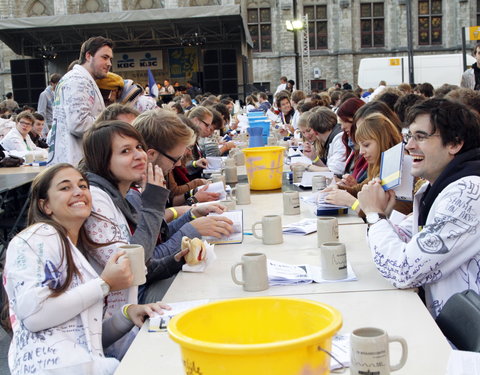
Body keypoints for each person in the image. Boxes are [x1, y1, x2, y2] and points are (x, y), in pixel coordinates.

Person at [3, 163, 170, 374]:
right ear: (46, 206)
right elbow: (36, 316)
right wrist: (105, 284)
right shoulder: (37, 236)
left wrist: (126, 316)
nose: (78, 192)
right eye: (65, 188)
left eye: (83, 186)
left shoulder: (76, 251)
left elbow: (86, 337)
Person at [357, 98, 480, 318]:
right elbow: (406, 243)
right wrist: (381, 216)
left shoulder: (468, 192)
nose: (409, 146)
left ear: (455, 143)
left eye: (420, 137)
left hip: (462, 343)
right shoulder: (437, 186)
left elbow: (403, 270)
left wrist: (374, 217)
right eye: (409, 136)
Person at [81, 121, 185, 358]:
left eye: (139, 147)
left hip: (126, 317)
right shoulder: (97, 199)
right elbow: (128, 266)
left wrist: (176, 260)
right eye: (125, 151)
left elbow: (142, 263)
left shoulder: (119, 195)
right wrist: (154, 204)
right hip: (110, 332)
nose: (139, 155)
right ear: (102, 160)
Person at [47, 36, 113, 166]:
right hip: (76, 162)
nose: (109, 63)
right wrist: (110, 123)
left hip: (71, 160)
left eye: (110, 59)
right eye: (104, 57)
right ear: (89, 56)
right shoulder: (79, 81)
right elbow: (79, 124)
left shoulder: (76, 78)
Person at [325, 112, 402, 213]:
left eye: (366, 145)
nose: (361, 152)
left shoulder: (400, 168)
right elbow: (359, 190)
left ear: (383, 141)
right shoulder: (380, 165)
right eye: (360, 146)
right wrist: (337, 188)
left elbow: (387, 216)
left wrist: (351, 202)